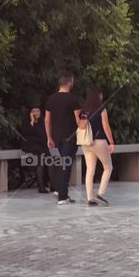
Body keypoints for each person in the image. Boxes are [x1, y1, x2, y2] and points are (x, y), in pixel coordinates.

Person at [46, 71, 83, 205]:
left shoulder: (51, 99)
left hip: (56, 137)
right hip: (70, 137)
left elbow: (47, 120)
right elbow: (78, 121)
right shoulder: (73, 99)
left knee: (63, 163)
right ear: (69, 83)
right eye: (72, 81)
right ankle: (62, 196)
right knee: (66, 165)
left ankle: (61, 192)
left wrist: (49, 137)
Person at [76, 87, 115, 206]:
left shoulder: (83, 111)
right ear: (99, 96)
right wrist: (111, 142)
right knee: (108, 167)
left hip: (86, 143)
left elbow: (81, 126)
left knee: (90, 170)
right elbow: (106, 127)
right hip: (99, 141)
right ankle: (100, 194)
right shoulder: (101, 109)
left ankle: (90, 199)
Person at [22, 104, 52, 193]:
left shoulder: (42, 121)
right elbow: (27, 133)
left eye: (38, 111)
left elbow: (44, 135)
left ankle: (53, 185)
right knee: (41, 161)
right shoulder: (27, 122)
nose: (36, 113)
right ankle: (41, 187)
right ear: (30, 113)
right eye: (34, 111)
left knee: (50, 161)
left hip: (42, 146)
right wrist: (32, 121)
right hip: (31, 146)